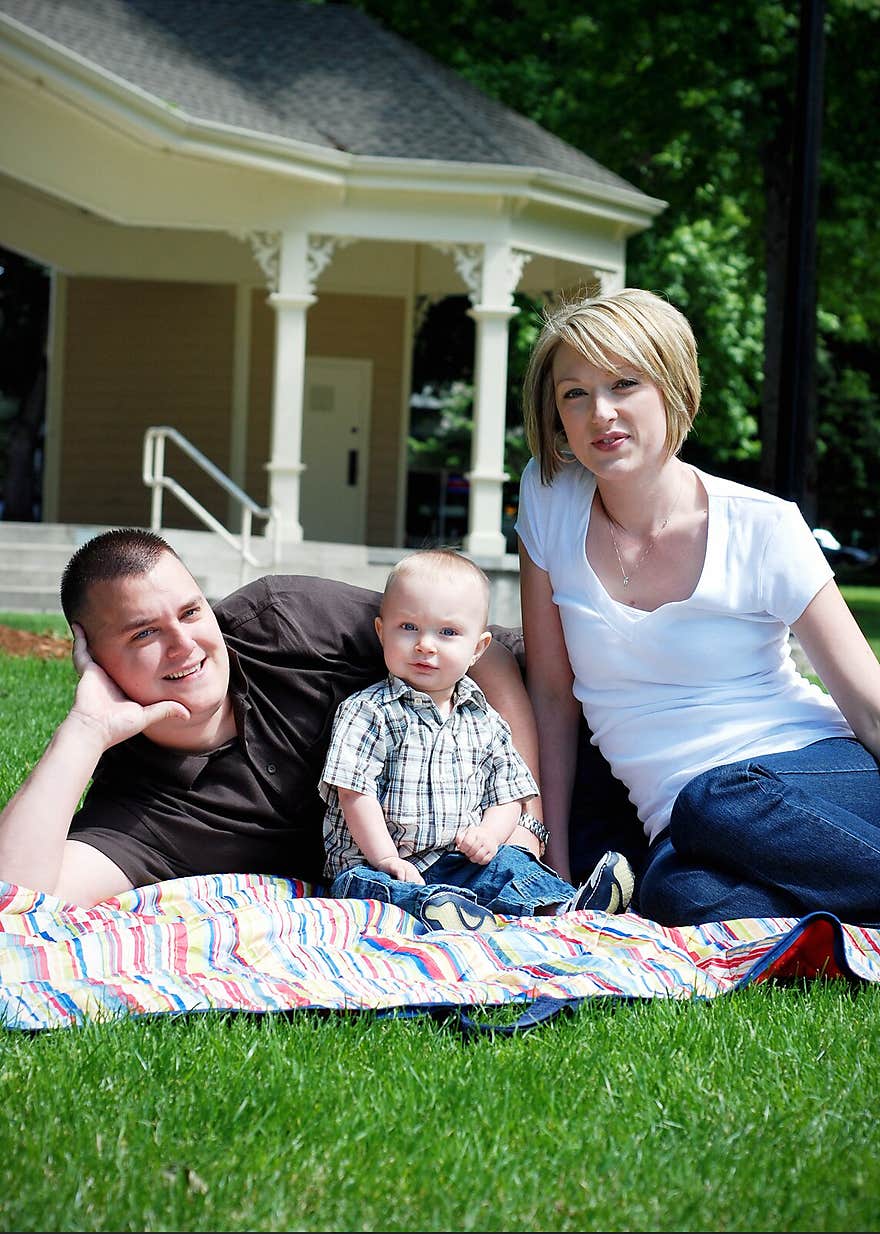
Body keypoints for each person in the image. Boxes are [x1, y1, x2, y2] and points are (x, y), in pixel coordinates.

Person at [516, 285, 880, 927]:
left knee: (715, 797)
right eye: (575, 393)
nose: (600, 411)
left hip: (812, 775)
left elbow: (869, 709)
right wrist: (555, 861)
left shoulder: (763, 527)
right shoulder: (549, 498)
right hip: (684, 823)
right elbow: (552, 694)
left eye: (624, 383)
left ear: (672, 388)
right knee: (675, 894)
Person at [0, 529, 546, 908]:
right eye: (145, 633)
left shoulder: (284, 620)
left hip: (543, 737)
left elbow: (486, 655)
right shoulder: (138, 810)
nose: (184, 645)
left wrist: (530, 827)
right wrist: (86, 728)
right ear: (95, 658)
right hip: (436, 876)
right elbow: (13, 896)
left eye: (192, 612)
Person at [319, 549, 624, 933]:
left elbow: (509, 794)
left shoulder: (485, 721)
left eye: (447, 633)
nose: (425, 645)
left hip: (458, 860)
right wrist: (386, 859)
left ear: (477, 649)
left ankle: (564, 908)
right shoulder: (367, 711)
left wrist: (489, 835)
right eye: (408, 627)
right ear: (382, 632)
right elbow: (354, 793)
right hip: (376, 862)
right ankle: (439, 909)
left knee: (511, 863)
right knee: (365, 889)